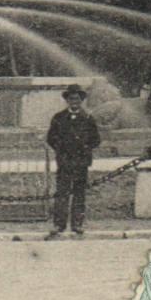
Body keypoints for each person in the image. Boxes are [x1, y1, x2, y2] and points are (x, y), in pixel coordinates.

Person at [46, 84, 101, 239]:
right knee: (62, 193)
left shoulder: (88, 118)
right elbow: (51, 138)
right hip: (64, 162)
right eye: (71, 99)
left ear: (81, 100)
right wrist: (61, 150)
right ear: (67, 100)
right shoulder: (58, 118)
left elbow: (96, 139)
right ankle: (59, 224)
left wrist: (85, 148)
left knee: (79, 194)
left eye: (77, 99)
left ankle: (77, 224)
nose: (74, 102)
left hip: (81, 162)